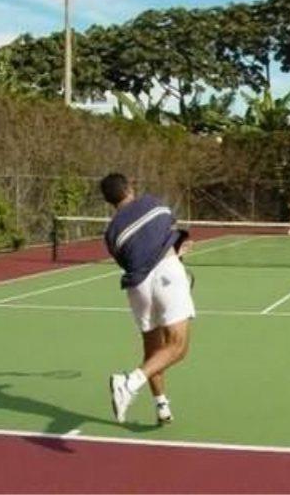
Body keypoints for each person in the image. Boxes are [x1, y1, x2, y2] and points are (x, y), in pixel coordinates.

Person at [100, 173, 195, 425]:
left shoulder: (110, 235)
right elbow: (170, 233)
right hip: (167, 273)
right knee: (177, 346)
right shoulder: (152, 203)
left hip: (137, 287)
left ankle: (161, 405)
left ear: (109, 200)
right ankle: (129, 383)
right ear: (130, 187)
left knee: (153, 350)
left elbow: (135, 258)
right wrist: (178, 251)